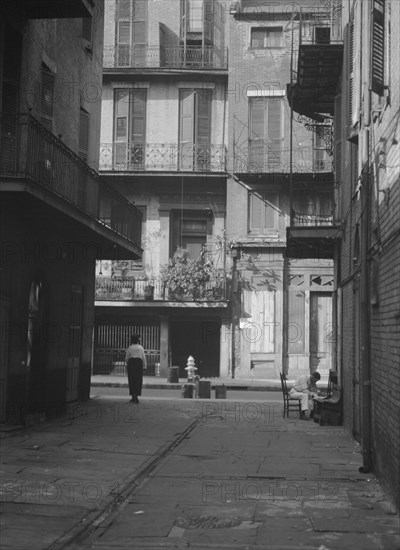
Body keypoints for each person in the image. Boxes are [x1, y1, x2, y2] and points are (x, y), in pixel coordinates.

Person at [125, 334, 146, 403]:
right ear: (138, 341)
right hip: (138, 364)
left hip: (131, 364)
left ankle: (133, 396)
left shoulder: (130, 348)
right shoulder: (141, 348)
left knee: (131, 380)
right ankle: (136, 396)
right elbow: (143, 358)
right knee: (138, 380)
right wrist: (144, 366)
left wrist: (127, 365)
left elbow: (127, 358)